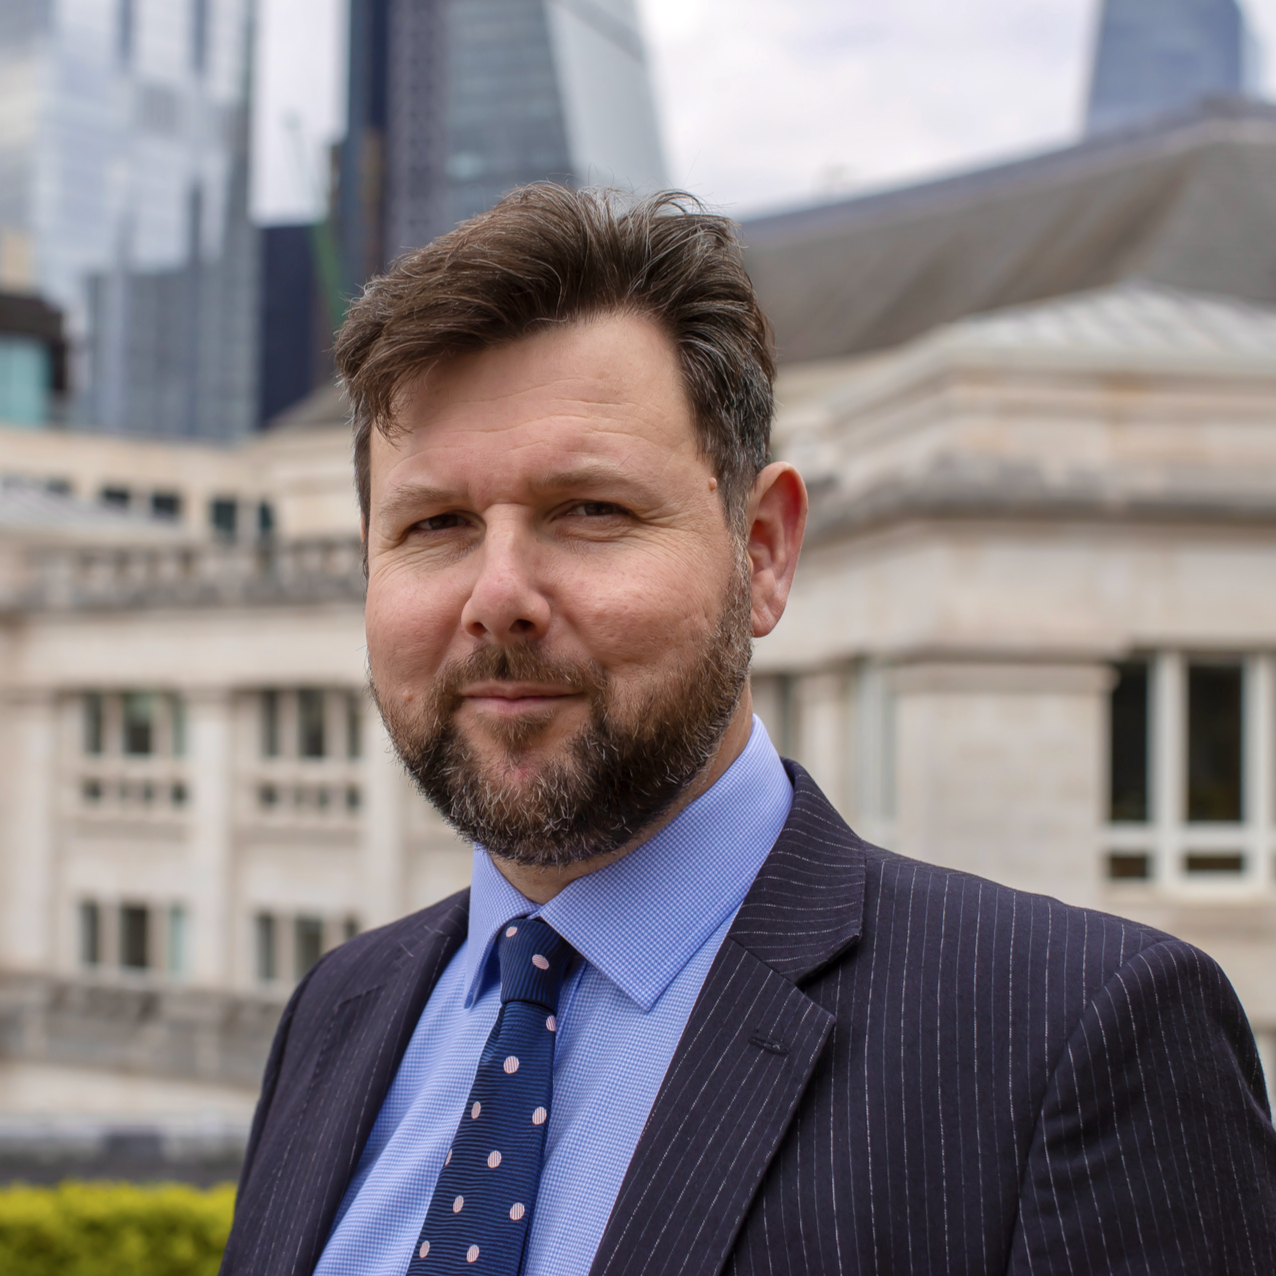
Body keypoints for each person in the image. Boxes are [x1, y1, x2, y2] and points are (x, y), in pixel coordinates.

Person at [221, 186, 1276, 1276]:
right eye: (433, 524)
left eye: (591, 510)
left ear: (763, 550)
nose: (498, 596)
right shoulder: (337, 1013)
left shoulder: (1071, 1040)